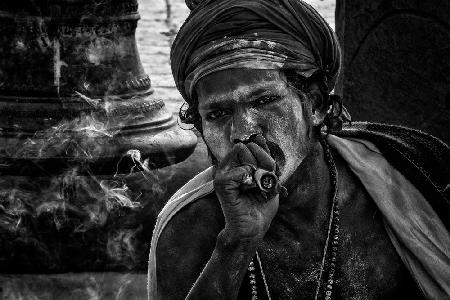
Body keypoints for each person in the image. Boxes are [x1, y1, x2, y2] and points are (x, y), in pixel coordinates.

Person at [148, 0, 450, 299]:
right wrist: (237, 241)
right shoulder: (188, 227)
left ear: (316, 104)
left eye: (264, 101)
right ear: (199, 125)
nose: (242, 132)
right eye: (217, 114)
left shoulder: (408, 183)